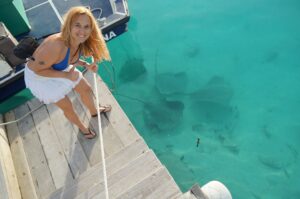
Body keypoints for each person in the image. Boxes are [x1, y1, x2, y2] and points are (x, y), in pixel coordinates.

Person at [24, 6, 111, 139]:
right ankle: (83, 128)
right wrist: (66, 75)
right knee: (68, 106)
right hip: (39, 78)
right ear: (69, 25)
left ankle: (95, 111)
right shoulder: (55, 45)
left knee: (86, 89)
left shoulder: (80, 41)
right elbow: (38, 70)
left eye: (87, 26)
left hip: (56, 68)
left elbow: (68, 59)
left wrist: (86, 64)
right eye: (78, 25)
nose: (82, 31)